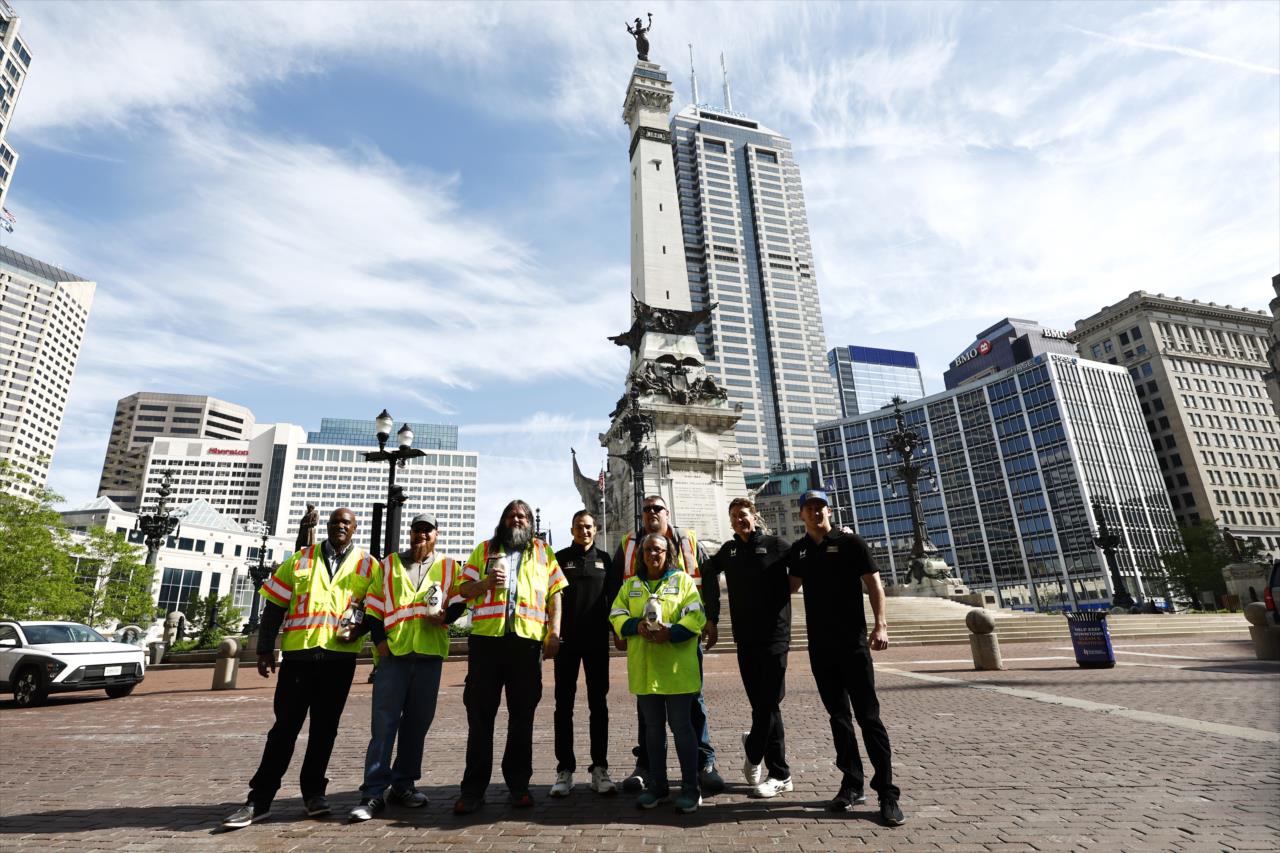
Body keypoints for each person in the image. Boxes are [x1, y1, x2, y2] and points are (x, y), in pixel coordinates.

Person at [222, 508, 377, 829]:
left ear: (354, 529)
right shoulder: (299, 560)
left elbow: (375, 611)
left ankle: (314, 794)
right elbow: (274, 606)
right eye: (335, 522)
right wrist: (265, 648)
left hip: (338, 660)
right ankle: (259, 800)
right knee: (283, 730)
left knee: (325, 731)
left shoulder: (368, 565)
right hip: (299, 658)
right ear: (328, 527)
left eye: (346, 523)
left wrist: (360, 631)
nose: (340, 526)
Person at [788, 490, 905, 826]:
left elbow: (874, 585)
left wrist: (881, 625)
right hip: (820, 646)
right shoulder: (799, 550)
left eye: (820, 507)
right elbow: (788, 587)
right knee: (838, 718)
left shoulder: (851, 542)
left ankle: (887, 793)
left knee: (869, 718)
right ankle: (852, 784)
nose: (816, 512)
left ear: (829, 511)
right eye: (809, 508)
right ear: (802, 515)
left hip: (853, 644)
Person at [452, 499, 568, 814]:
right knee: (480, 717)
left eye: (523, 516)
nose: (517, 520)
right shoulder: (484, 550)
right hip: (486, 643)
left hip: (526, 644)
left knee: (522, 718)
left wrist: (554, 632)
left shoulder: (543, 552)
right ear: (503, 520)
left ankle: (518, 786)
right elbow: (463, 590)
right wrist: (486, 582)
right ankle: (473, 790)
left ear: (530, 522)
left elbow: (556, 595)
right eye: (512, 515)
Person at [348, 512, 466, 822]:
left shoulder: (449, 566)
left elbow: (461, 600)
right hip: (395, 655)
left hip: (428, 655)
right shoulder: (389, 564)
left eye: (428, 530)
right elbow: (373, 606)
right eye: (417, 530)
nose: (422, 535)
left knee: (417, 724)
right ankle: (373, 792)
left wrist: (448, 616)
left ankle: (403, 784)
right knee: (383, 725)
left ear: (436, 534)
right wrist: (379, 642)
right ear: (410, 533)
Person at [613, 495, 722, 795]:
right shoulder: (628, 544)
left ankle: (704, 764)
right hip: (644, 649)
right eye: (646, 509)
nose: (651, 512)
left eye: (657, 508)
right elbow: (614, 588)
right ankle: (647, 768)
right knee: (649, 716)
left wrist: (710, 619)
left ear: (667, 512)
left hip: (682, 645)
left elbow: (709, 578)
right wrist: (621, 628)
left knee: (692, 705)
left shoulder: (688, 540)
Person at [609, 532, 706, 813]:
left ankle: (691, 788)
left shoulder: (683, 581)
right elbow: (616, 613)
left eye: (659, 550)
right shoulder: (631, 585)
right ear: (641, 555)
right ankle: (658, 786)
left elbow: (696, 615)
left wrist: (672, 633)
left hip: (677, 670)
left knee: (682, 728)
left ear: (668, 554)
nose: (654, 554)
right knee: (653, 731)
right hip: (645, 669)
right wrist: (634, 625)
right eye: (649, 550)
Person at [703, 497, 793, 799]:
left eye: (743, 514)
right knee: (764, 706)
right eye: (734, 516)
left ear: (754, 516)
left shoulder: (776, 545)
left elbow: (806, 560)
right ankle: (781, 774)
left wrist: (838, 536)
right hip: (745, 638)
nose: (739, 520)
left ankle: (756, 752)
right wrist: (711, 617)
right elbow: (706, 570)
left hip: (775, 636)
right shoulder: (728, 551)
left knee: (769, 701)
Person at [550, 510, 621, 797]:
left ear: (596, 529)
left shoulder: (605, 559)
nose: (585, 531)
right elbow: (551, 597)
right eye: (580, 527)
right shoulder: (559, 558)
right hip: (566, 642)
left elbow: (615, 598)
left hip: (596, 642)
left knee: (598, 705)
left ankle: (599, 768)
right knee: (563, 705)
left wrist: (617, 630)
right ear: (572, 530)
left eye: (589, 527)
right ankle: (564, 770)